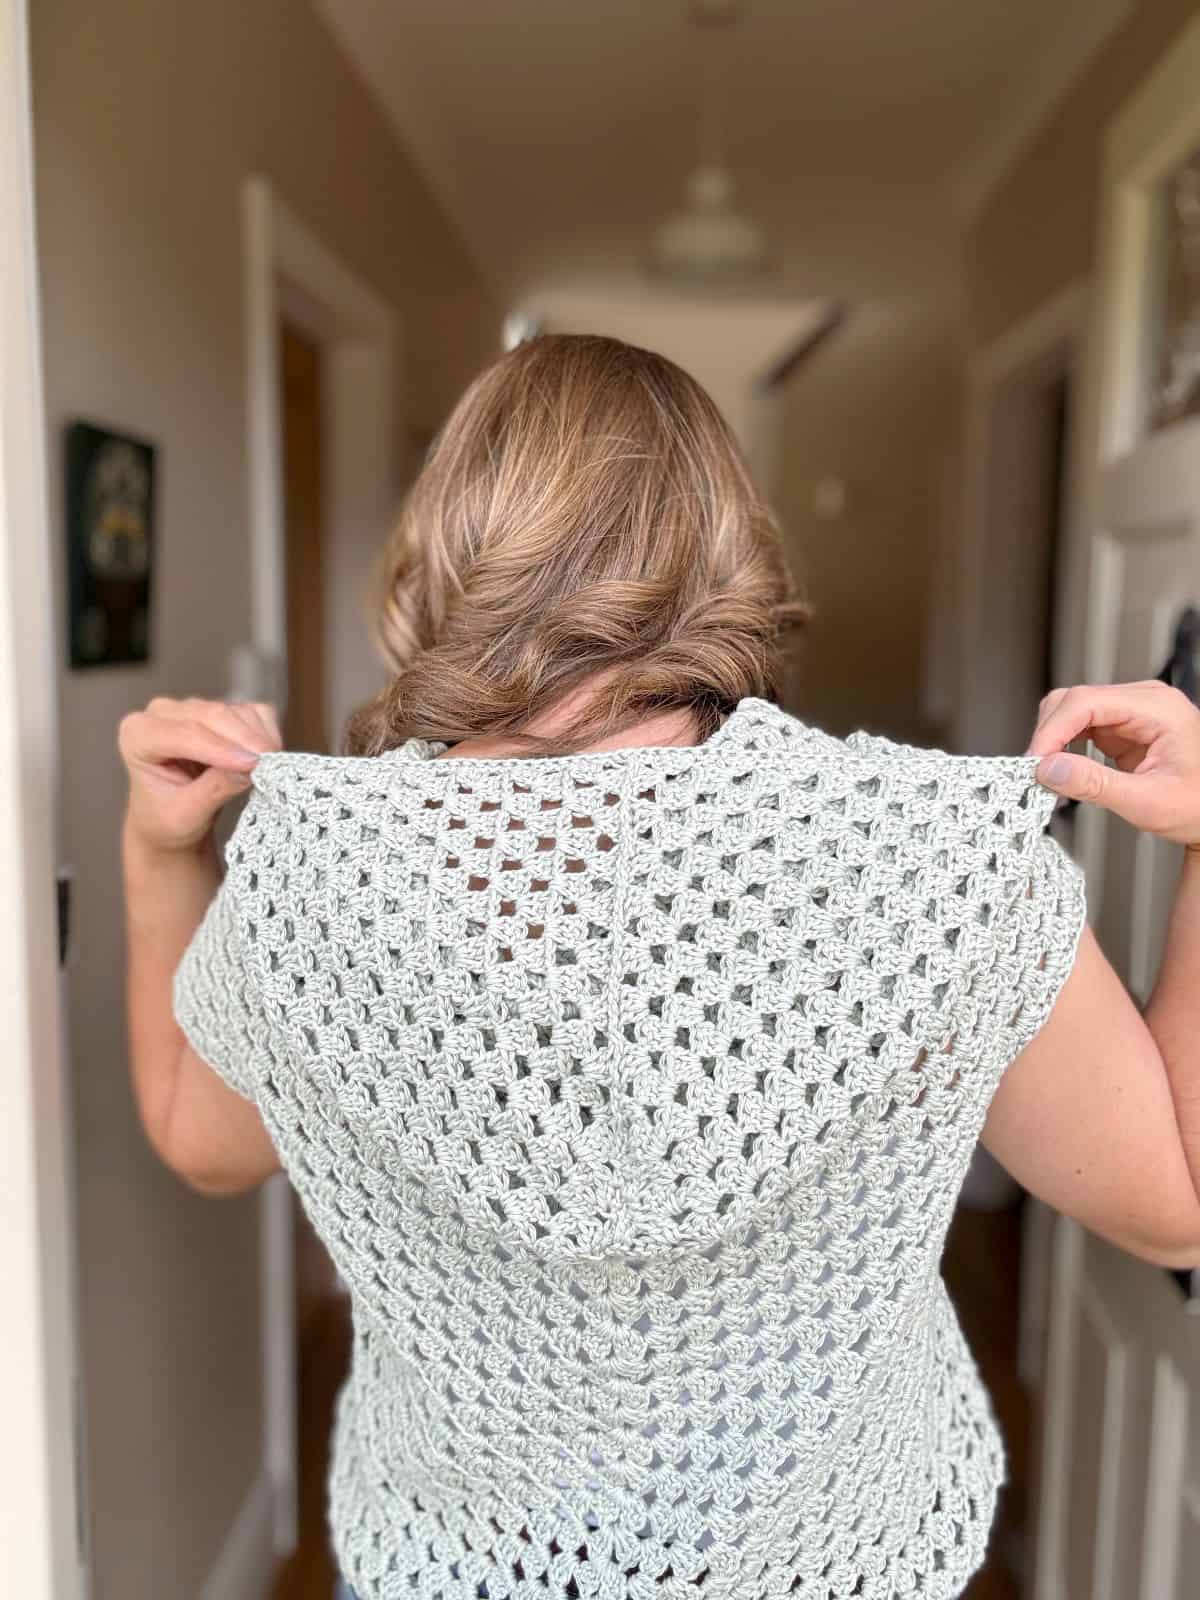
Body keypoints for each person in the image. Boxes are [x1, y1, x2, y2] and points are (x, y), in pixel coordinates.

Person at [119, 335, 1200, 1600]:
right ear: (730, 551)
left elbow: (202, 1137)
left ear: (448, 551)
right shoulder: (923, 855)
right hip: (827, 1567)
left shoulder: (318, 877)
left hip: (462, 1569)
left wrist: (157, 850)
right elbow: (1174, 1191)